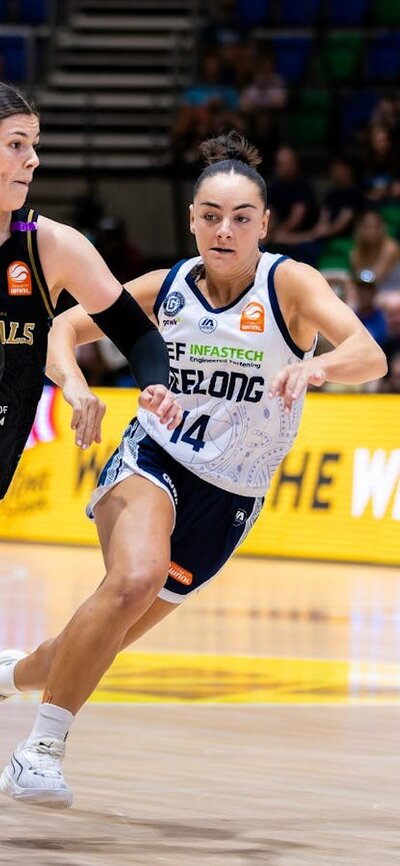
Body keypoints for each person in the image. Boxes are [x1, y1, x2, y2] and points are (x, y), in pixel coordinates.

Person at [0, 131, 387, 809]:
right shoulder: (167, 287)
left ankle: (13, 674)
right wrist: (75, 387)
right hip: (154, 459)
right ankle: (39, 753)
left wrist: (318, 364)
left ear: (264, 224)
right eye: (210, 215)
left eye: (241, 217)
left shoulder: (289, 284)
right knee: (135, 577)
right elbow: (62, 328)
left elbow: (370, 354)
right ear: (191, 219)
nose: (224, 229)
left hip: (230, 497)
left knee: (97, 636)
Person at [0, 81, 181, 500]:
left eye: (34, 144)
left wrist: (155, 385)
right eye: (16, 144)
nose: (33, 160)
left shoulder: (51, 246)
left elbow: (138, 335)